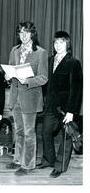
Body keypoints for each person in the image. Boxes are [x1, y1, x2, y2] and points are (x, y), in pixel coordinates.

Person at [36, 31, 83, 178]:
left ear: (67, 44)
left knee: (66, 137)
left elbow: (76, 90)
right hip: (50, 106)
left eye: (61, 42)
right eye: (56, 42)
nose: (58, 45)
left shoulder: (74, 63)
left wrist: (71, 111)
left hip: (65, 108)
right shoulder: (49, 60)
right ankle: (48, 159)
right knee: (45, 133)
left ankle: (60, 166)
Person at [5, 21, 48, 175]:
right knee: (19, 131)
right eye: (21, 32)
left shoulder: (41, 53)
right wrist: (8, 75)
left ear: (32, 34)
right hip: (15, 96)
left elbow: (43, 78)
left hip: (31, 97)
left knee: (29, 133)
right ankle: (17, 160)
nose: (23, 35)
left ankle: (28, 165)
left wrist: (27, 81)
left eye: (26, 32)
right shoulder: (14, 50)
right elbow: (10, 68)